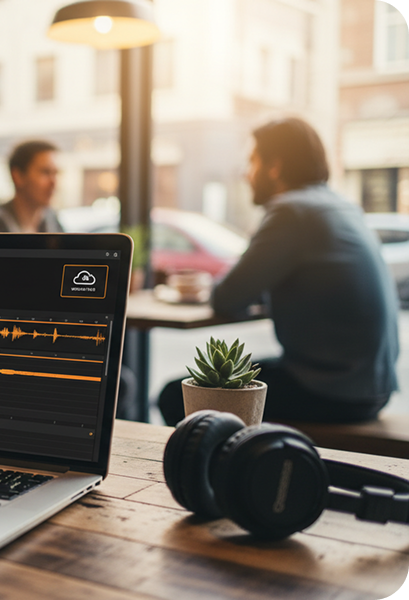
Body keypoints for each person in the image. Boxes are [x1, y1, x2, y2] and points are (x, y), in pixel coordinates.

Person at [158, 117, 400, 425]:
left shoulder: (292, 212)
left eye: (253, 160)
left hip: (331, 389)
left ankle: (230, 474)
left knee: (176, 397)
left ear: (275, 166)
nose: (247, 172)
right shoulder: (337, 205)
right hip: (369, 386)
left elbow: (226, 297)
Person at [0, 140, 64, 233]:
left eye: (56, 173)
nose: (54, 182)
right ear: (17, 176)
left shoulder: (51, 220)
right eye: (45, 172)